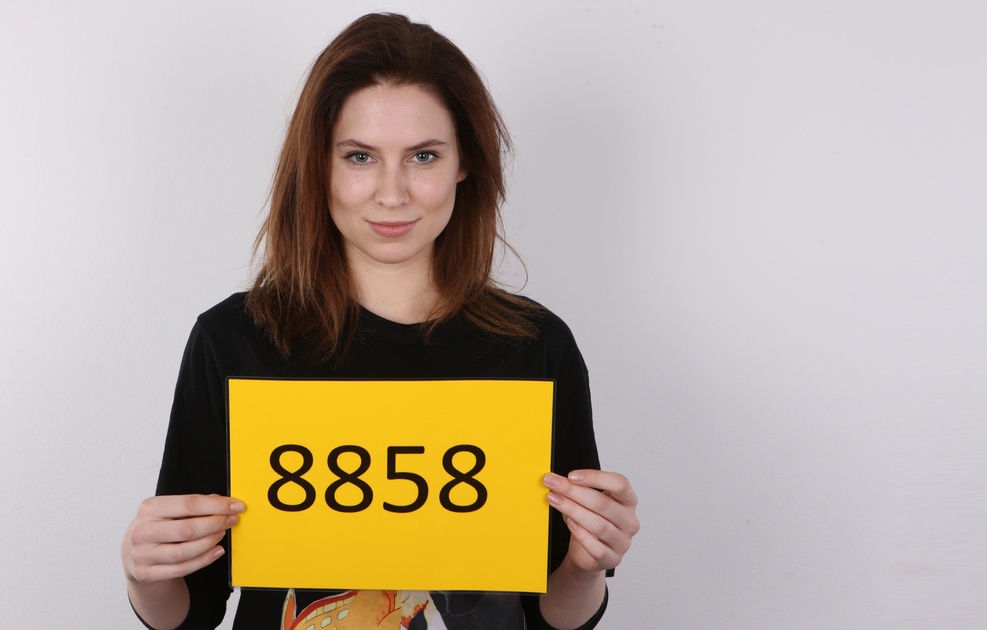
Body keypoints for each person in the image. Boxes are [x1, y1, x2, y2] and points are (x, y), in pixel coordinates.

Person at [121, 12, 640, 630]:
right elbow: (190, 614)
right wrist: (145, 572)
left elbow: (556, 618)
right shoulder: (233, 340)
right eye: (360, 156)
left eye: (423, 155)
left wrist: (585, 566)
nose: (392, 194)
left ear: (464, 162)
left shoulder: (536, 348)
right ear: (319, 164)